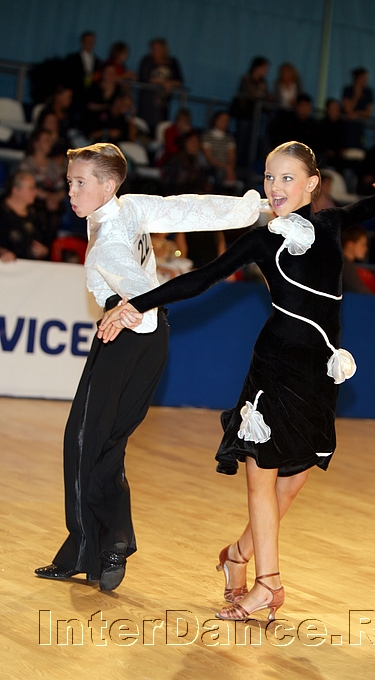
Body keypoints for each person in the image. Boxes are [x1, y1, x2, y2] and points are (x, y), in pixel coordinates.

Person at [99, 141, 375, 619]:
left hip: (318, 370)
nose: (274, 187)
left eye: (287, 177)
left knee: (295, 479)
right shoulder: (263, 239)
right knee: (260, 475)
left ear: (311, 184)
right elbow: (200, 279)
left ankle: (237, 555)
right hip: (275, 365)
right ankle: (268, 584)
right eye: (268, 176)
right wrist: (134, 304)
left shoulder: (330, 224)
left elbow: (370, 205)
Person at [34, 142, 265, 591]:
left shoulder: (107, 240)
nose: (71, 191)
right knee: (107, 444)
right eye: (69, 182)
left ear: (108, 185)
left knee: (82, 441)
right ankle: (110, 544)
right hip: (152, 341)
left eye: (80, 183)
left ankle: (91, 547)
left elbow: (139, 291)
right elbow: (189, 210)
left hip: (123, 337)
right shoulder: (132, 207)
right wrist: (250, 209)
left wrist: (126, 311)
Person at [138, 38, 183, 135]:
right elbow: (144, 77)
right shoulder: (147, 60)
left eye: (158, 48)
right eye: (153, 48)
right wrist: (162, 82)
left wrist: (170, 83)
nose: (155, 51)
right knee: (144, 125)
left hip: (163, 102)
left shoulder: (172, 62)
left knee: (160, 126)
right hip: (147, 100)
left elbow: (179, 81)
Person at [0, 171, 48, 261]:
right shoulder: (2, 212)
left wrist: (43, 250)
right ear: (16, 190)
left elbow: (44, 241)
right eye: (31, 188)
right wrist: (2, 252)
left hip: (28, 265)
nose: (35, 192)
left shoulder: (35, 214)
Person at [341, 67, 374, 149]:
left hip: (360, 125)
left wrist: (356, 114)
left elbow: (368, 113)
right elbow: (347, 109)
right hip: (347, 126)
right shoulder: (348, 90)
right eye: (363, 78)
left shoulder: (368, 92)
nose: (365, 81)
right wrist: (356, 95)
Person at [341, 224, 375, 294]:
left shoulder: (345, 264)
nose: (366, 249)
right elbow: (359, 290)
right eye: (362, 244)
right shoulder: (345, 266)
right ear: (350, 245)